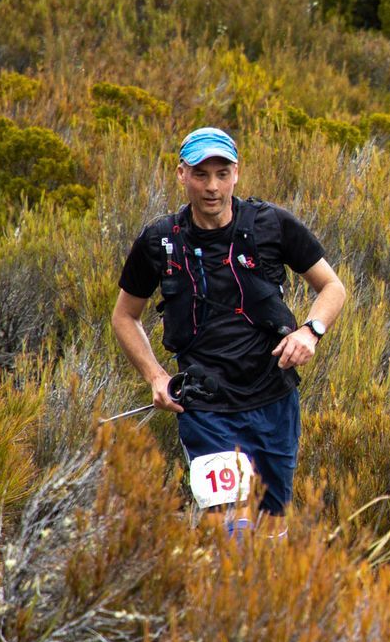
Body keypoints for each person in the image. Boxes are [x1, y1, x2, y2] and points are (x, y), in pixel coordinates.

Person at [110, 126, 346, 517]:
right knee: (231, 530)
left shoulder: (272, 224)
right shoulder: (160, 240)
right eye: (201, 174)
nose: (212, 187)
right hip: (206, 410)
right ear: (181, 174)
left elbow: (332, 287)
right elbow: (124, 316)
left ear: (236, 173)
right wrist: (155, 376)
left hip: (274, 402)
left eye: (222, 174)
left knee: (271, 528)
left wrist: (311, 331)